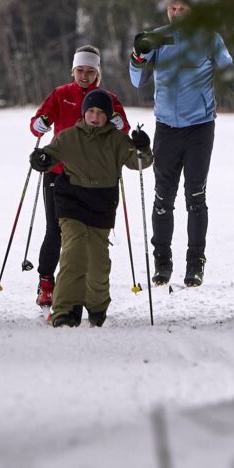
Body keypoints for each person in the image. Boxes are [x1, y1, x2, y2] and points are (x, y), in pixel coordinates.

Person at [128, 0, 234, 288]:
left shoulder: (209, 38)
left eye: (183, 9)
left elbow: (231, 73)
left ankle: (195, 264)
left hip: (199, 129)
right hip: (166, 127)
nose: (176, 13)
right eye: (172, 8)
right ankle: (162, 263)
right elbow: (137, 81)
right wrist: (138, 56)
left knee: (195, 197)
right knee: (162, 199)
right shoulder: (159, 37)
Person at [29, 90, 152, 327]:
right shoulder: (69, 137)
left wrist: (143, 147)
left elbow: (140, 162)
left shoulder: (117, 140)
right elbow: (50, 156)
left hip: (102, 206)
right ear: (84, 113)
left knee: (98, 261)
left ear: (108, 116)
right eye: (91, 112)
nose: (95, 117)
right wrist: (40, 159)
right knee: (74, 251)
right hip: (71, 202)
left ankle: (96, 307)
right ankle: (65, 309)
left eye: (101, 113)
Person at [26, 45, 128, 312]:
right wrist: (39, 124)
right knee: (55, 230)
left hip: (93, 177)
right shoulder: (62, 94)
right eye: (80, 71)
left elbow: (123, 129)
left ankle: (82, 287)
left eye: (90, 71)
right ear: (73, 71)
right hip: (58, 171)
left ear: (98, 73)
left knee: (90, 235)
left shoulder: (107, 98)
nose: (85, 76)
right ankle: (46, 283)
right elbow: (41, 118)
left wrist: (119, 125)